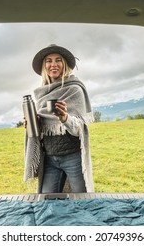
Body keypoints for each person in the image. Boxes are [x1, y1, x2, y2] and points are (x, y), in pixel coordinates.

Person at [23, 44, 94, 193]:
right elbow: (43, 128)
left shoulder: (74, 89)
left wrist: (65, 118)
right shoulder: (41, 94)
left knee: (82, 200)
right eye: (49, 61)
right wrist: (33, 124)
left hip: (73, 157)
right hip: (49, 158)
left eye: (58, 60)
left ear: (64, 64)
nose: (53, 64)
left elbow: (79, 128)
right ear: (44, 66)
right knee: (47, 201)